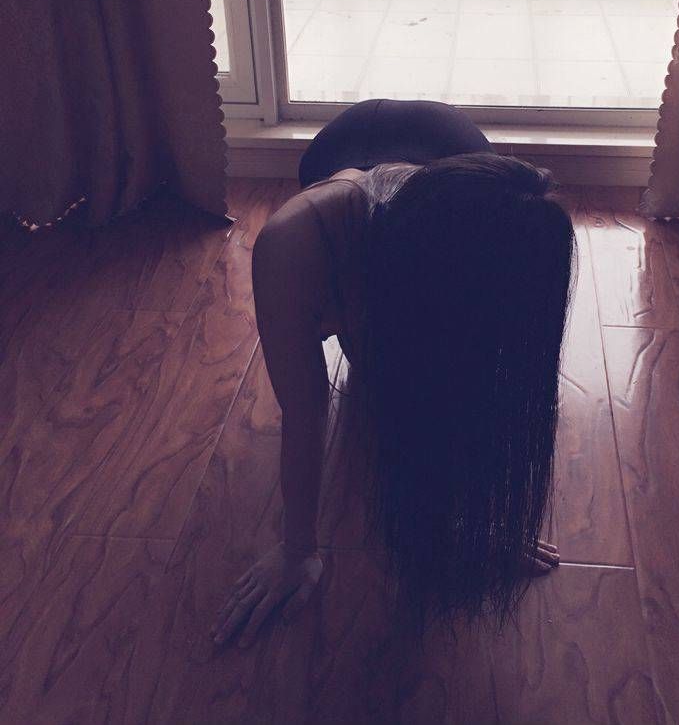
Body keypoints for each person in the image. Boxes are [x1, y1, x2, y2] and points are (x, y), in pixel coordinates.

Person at [212, 99, 575, 647]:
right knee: (375, 370)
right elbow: (305, 410)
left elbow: (474, 390)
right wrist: (297, 549)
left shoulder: (493, 238)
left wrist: (479, 517)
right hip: (347, 146)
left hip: (445, 150)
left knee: (419, 382)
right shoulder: (294, 243)